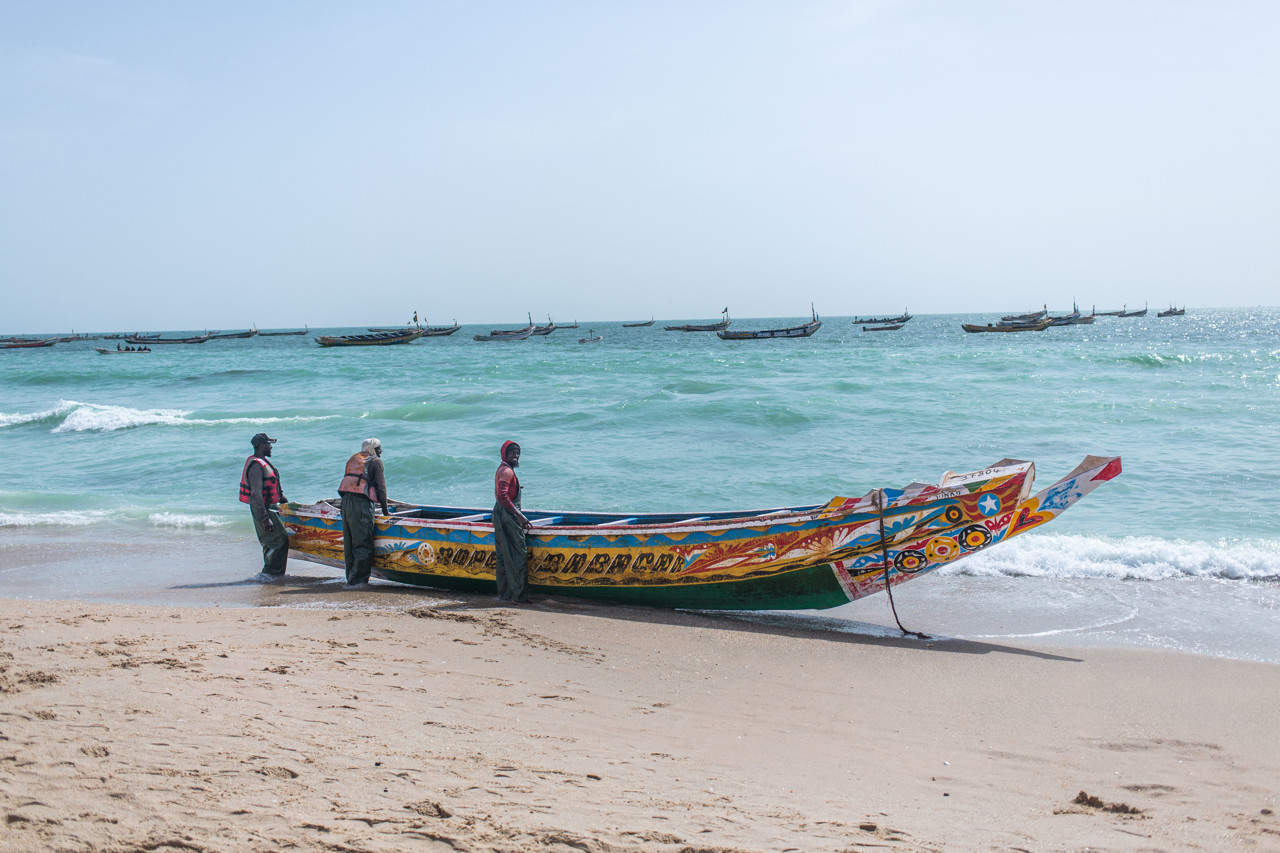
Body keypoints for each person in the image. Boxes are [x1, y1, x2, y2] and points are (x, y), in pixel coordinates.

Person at [338, 438, 389, 585]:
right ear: (373, 449)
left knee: (350, 544)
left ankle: (351, 578)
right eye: (379, 448)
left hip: (346, 503)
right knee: (363, 544)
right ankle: (357, 582)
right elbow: (381, 488)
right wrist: (386, 513)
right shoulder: (375, 462)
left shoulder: (353, 459)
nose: (381, 451)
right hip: (361, 505)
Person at [239, 433, 289, 577]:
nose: (271, 447)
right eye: (268, 444)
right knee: (279, 540)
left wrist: (283, 499)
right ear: (262, 446)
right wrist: (265, 517)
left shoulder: (263, 462)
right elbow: (256, 494)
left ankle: (270, 574)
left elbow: (272, 485)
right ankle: (271, 575)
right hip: (264, 509)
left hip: (269, 507)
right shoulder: (256, 465)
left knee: (272, 540)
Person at [492, 440, 531, 603]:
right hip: (507, 515)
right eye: (512, 453)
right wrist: (520, 516)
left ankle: (505, 594)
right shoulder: (507, 471)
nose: (515, 456)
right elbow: (502, 496)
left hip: (501, 514)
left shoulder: (504, 469)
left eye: (517, 453)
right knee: (518, 555)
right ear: (505, 455)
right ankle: (518, 596)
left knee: (504, 555)